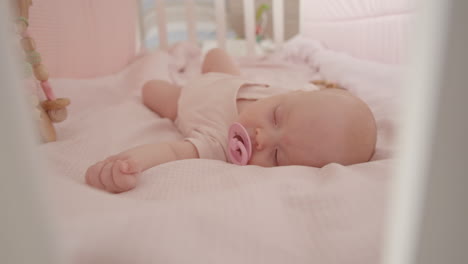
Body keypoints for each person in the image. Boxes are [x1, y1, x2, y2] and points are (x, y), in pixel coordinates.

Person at [85, 48, 377, 193]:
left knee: (151, 88)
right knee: (216, 53)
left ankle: (176, 85)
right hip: (228, 80)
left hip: (184, 100)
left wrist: (129, 162)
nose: (262, 138)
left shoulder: (219, 144)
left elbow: (172, 151)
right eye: (276, 117)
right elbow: (314, 99)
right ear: (295, 93)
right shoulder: (289, 96)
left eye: (276, 155)